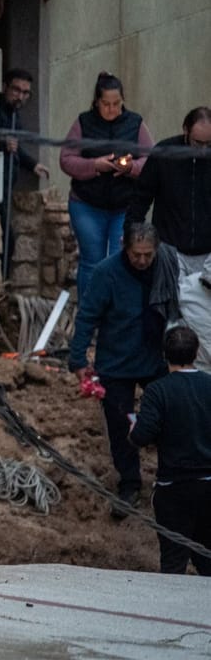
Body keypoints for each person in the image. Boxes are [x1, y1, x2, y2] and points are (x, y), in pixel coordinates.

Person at [68, 222, 168, 519]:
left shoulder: (165, 268)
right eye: (136, 255)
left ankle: (170, 479)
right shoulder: (105, 273)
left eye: (147, 255)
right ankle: (130, 483)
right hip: (116, 362)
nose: (141, 261)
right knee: (119, 425)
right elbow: (87, 316)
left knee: (169, 418)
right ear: (126, 249)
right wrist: (78, 359)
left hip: (155, 359)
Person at [59, 72, 154, 297]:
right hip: (87, 204)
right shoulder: (83, 123)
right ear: (96, 102)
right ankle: (89, 314)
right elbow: (66, 159)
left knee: (119, 259)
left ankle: (115, 313)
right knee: (92, 261)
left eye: (116, 104)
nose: (112, 109)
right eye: (106, 104)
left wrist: (131, 168)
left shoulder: (135, 123)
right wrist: (95, 165)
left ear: (123, 101)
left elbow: (151, 159)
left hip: (124, 205)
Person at [129, 326, 211, 576]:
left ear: (164, 355)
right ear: (196, 353)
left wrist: (132, 429)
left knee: (173, 563)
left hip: (173, 489)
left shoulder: (157, 390)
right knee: (208, 560)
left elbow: (141, 436)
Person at [127, 107, 211, 273]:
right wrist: (130, 232)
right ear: (186, 130)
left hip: (208, 253)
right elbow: (141, 197)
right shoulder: (164, 154)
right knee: (169, 298)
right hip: (170, 249)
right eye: (197, 143)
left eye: (209, 144)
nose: (203, 150)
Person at [0, 69, 50, 278]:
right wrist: (1, 141)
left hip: (6, 187)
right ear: (4, 87)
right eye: (16, 90)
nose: (20, 97)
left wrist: (32, 164)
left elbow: (15, 146)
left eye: (26, 93)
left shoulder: (13, 114)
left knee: (8, 241)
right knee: (5, 240)